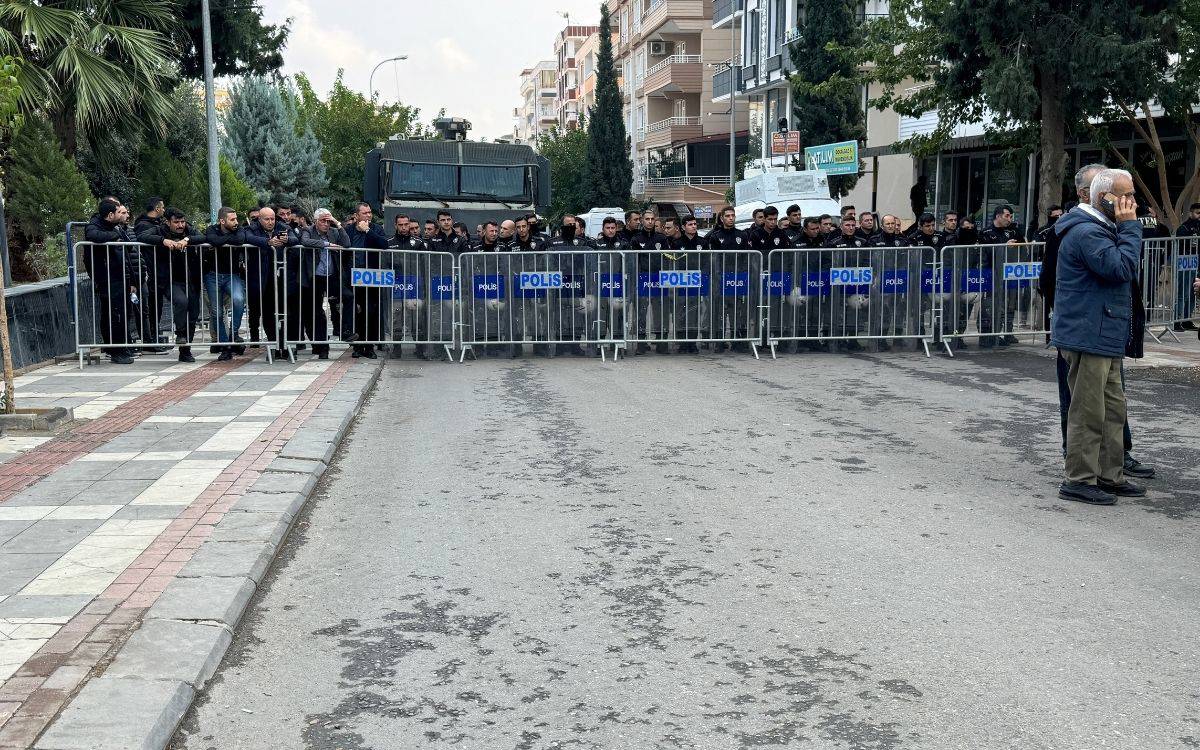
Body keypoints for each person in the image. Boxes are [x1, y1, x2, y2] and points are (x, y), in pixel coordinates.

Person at [1042, 163, 1153, 482]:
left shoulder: (1103, 227)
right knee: (1088, 413)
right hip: (1087, 333)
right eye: (1127, 195)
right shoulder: (1086, 230)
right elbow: (1120, 269)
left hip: (1104, 332)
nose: (1133, 202)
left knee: (1113, 412)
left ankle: (1110, 475)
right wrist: (1130, 228)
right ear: (1104, 197)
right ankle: (1080, 479)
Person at [138, 208, 205, 362]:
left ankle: (185, 350)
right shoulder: (159, 230)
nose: (180, 225)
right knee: (181, 301)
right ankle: (181, 334)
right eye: (176, 222)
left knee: (193, 314)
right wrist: (163, 241)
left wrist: (186, 240)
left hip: (191, 279)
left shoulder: (189, 230)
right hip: (169, 280)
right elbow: (142, 236)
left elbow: (204, 237)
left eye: (182, 221)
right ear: (168, 222)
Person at [83, 199, 137, 364]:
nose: (122, 214)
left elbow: (128, 245)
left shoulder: (116, 227)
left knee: (121, 313)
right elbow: (93, 235)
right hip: (106, 277)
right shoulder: (95, 225)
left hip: (119, 275)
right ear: (110, 215)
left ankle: (121, 347)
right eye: (118, 211)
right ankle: (115, 350)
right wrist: (115, 237)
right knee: (113, 315)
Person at [295, 209, 350, 360]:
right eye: (323, 221)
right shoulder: (308, 230)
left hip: (332, 276)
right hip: (315, 277)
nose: (326, 224)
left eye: (328, 221)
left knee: (348, 296)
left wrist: (337, 223)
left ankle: (346, 331)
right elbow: (304, 241)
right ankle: (322, 346)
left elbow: (347, 243)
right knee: (316, 313)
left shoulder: (333, 231)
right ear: (315, 221)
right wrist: (326, 244)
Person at [242, 206, 294, 357]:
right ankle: (273, 343)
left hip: (280, 276)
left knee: (284, 312)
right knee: (265, 312)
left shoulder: (281, 226)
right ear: (260, 219)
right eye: (267, 219)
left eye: (272, 218)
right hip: (259, 277)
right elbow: (246, 237)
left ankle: (283, 345)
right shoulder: (252, 227)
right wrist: (268, 242)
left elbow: (295, 238)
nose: (271, 222)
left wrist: (286, 240)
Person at [341, 202, 390, 358]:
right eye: (365, 213)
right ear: (356, 216)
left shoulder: (376, 229)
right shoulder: (348, 230)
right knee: (356, 312)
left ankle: (369, 346)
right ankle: (357, 346)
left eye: (370, 212)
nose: (369, 215)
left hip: (371, 278)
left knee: (371, 311)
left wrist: (367, 230)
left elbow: (384, 245)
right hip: (352, 277)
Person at [202, 208, 249, 362]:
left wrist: (223, 240)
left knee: (238, 299)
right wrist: (227, 239)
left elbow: (239, 240)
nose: (236, 222)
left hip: (232, 275)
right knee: (217, 312)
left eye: (236, 218)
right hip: (212, 275)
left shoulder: (239, 229)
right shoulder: (211, 229)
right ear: (222, 221)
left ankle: (232, 335)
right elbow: (213, 240)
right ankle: (225, 345)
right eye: (232, 219)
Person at [978, 205, 1027, 347]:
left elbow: (1023, 247)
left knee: (1010, 304)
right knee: (993, 305)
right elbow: (985, 252)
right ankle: (989, 334)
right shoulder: (986, 232)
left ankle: (1008, 332)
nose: (1009, 219)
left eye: (1011, 216)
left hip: (1010, 272)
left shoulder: (1013, 230)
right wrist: (1004, 246)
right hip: (992, 273)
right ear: (998, 216)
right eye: (1007, 216)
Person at [705, 206, 752, 352]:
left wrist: (744, 274)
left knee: (737, 311)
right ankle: (719, 342)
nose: (731, 218)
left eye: (733, 215)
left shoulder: (742, 235)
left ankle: (738, 341)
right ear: (722, 218)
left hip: (738, 278)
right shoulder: (715, 236)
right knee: (720, 311)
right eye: (728, 216)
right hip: (721, 278)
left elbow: (747, 257)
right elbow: (713, 259)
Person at [825, 215, 872, 352]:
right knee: (837, 313)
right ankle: (836, 341)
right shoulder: (833, 243)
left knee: (855, 312)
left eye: (853, 225)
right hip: (838, 285)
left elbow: (867, 261)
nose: (850, 228)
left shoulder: (862, 242)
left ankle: (853, 339)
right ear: (841, 226)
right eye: (847, 225)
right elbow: (827, 263)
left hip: (857, 284)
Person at [130, 197, 171, 352]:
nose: (164, 210)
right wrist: (162, 240)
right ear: (157, 208)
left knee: (157, 306)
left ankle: (153, 338)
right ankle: (149, 340)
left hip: (158, 272)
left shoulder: (157, 224)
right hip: (148, 273)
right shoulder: (143, 225)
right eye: (163, 207)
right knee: (150, 308)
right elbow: (142, 241)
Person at [629, 209, 672, 354]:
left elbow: (667, 258)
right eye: (647, 219)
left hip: (659, 279)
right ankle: (641, 344)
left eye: (652, 219)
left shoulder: (661, 238)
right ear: (642, 221)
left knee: (660, 311)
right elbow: (632, 261)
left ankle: (662, 343)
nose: (650, 221)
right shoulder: (636, 239)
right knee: (641, 312)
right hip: (642, 279)